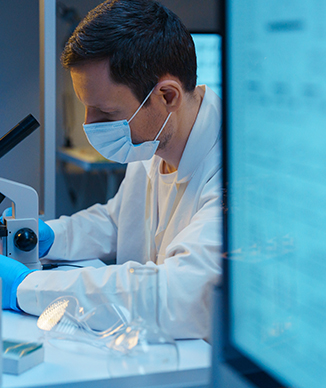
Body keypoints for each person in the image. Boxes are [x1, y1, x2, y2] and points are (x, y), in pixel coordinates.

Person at [0, 0, 222, 340]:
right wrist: (46, 238)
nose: (90, 126)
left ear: (167, 96)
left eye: (104, 112)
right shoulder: (153, 142)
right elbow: (119, 222)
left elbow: (177, 294)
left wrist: (25, 287)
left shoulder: (236, 170)